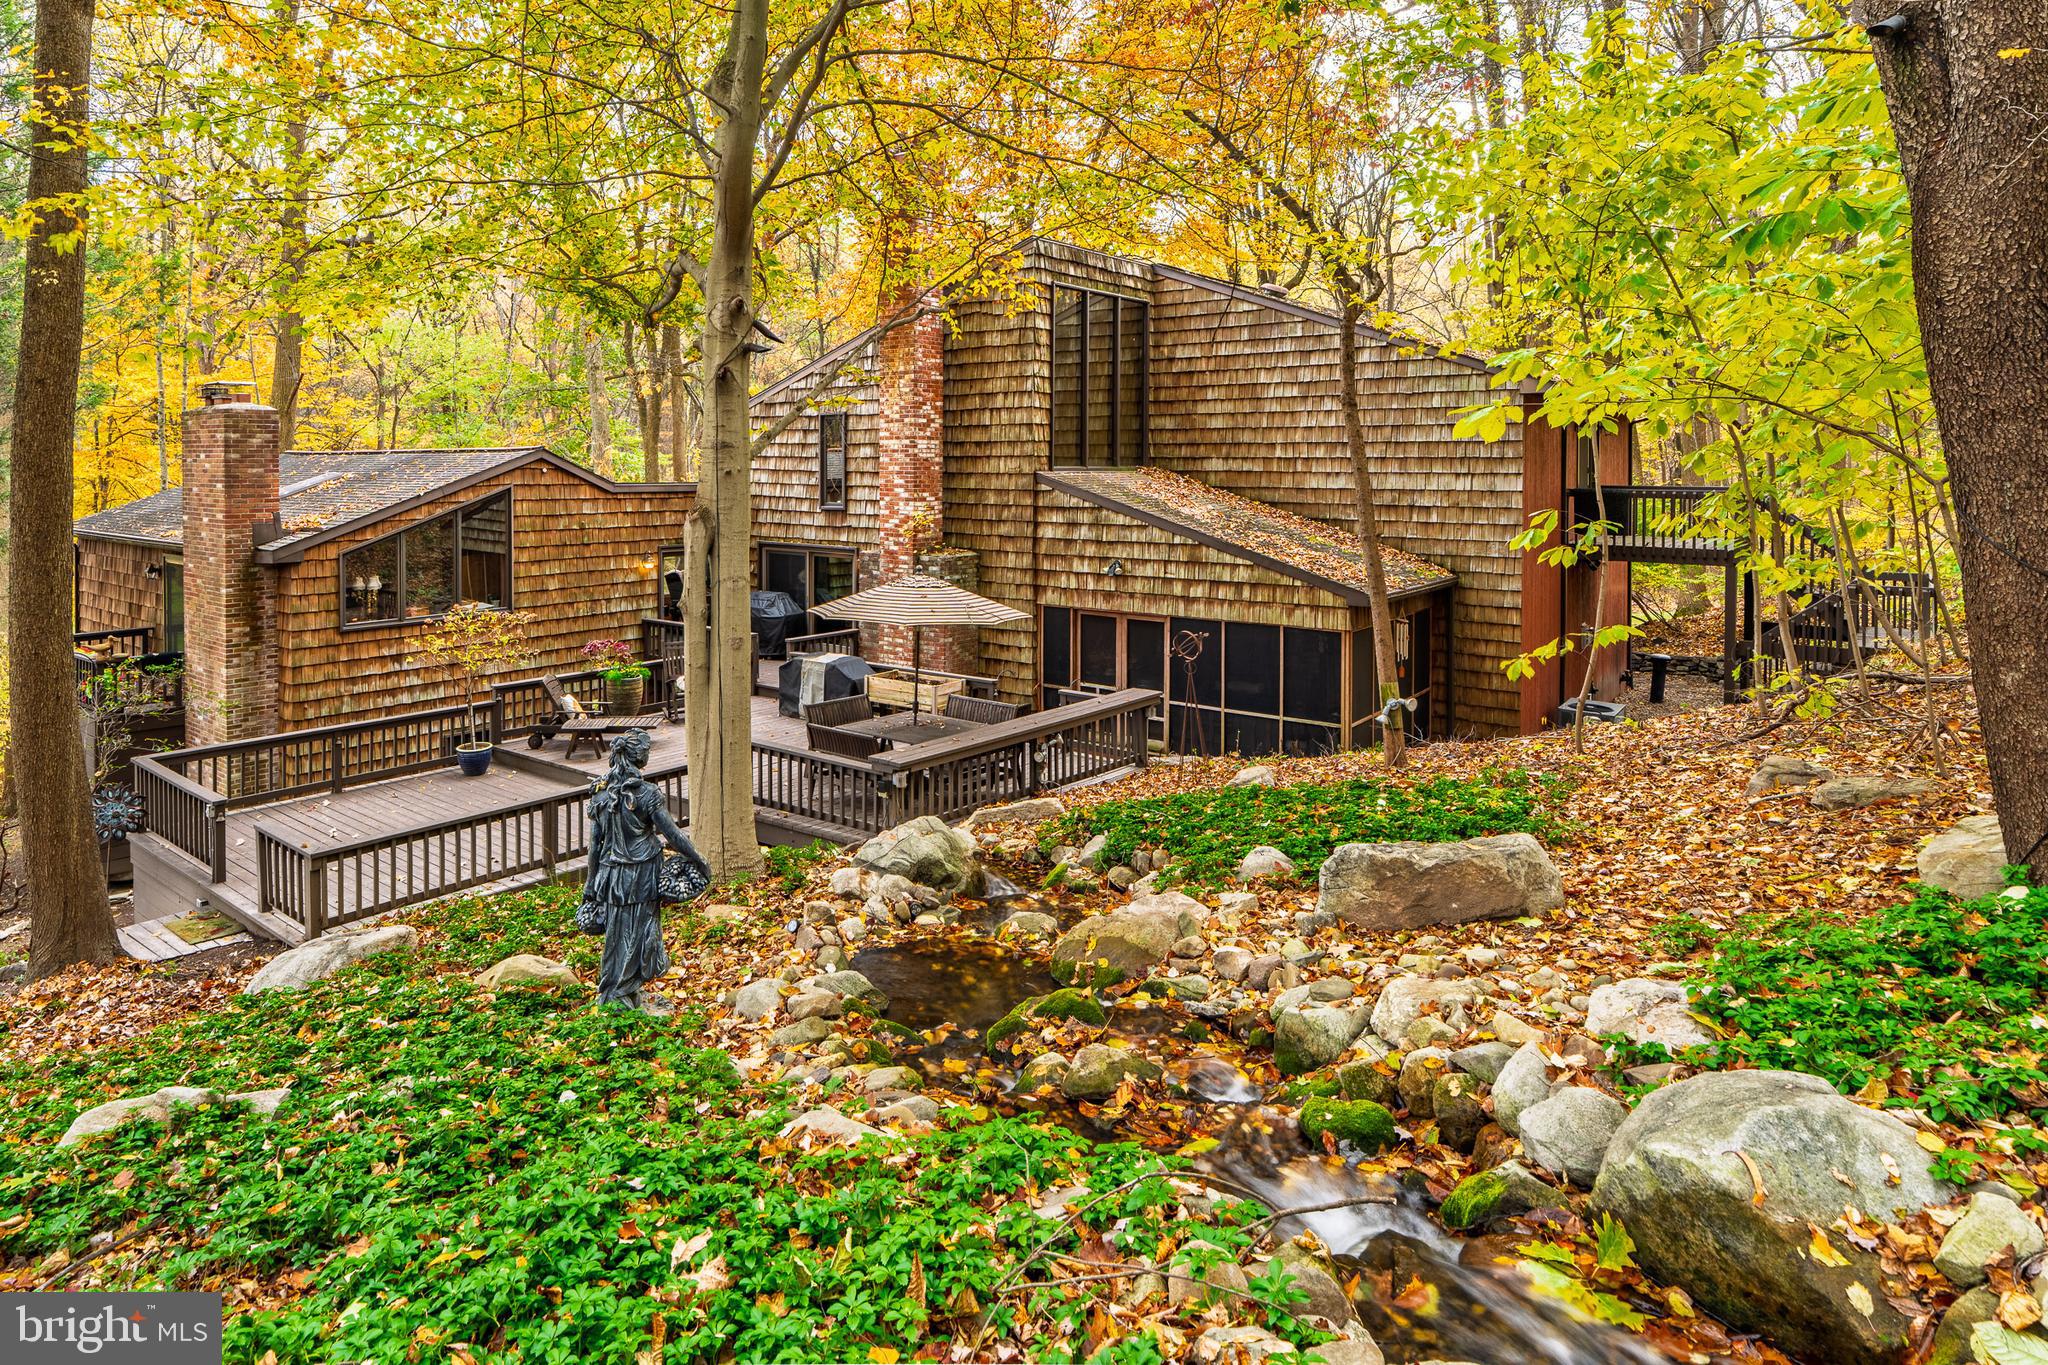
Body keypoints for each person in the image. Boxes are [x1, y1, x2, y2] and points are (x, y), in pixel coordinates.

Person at [583, 729, 702, 1012]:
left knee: (616, 934)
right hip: (643, 873)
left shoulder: (600, 796)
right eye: (647, 750)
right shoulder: (647, 794)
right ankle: (621, 993)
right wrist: (698, 859)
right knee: (640, 932)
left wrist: (591, 885)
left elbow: (594, 848)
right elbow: (672, 834)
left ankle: (620, 991)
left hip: (611, 876)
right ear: (640, 756)